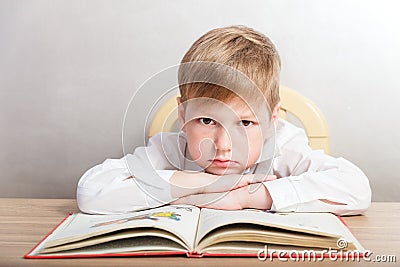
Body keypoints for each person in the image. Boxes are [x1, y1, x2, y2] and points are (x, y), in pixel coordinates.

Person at [77, 25, 371, 216]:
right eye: (206, 120)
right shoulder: (168, 149)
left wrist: (247, 198)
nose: (223, 146)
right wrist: (200, 185)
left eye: (245, 124)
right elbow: (92, 192)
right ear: (182, 115)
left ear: (271, 121)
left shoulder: (283, 145)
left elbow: (356, 187)